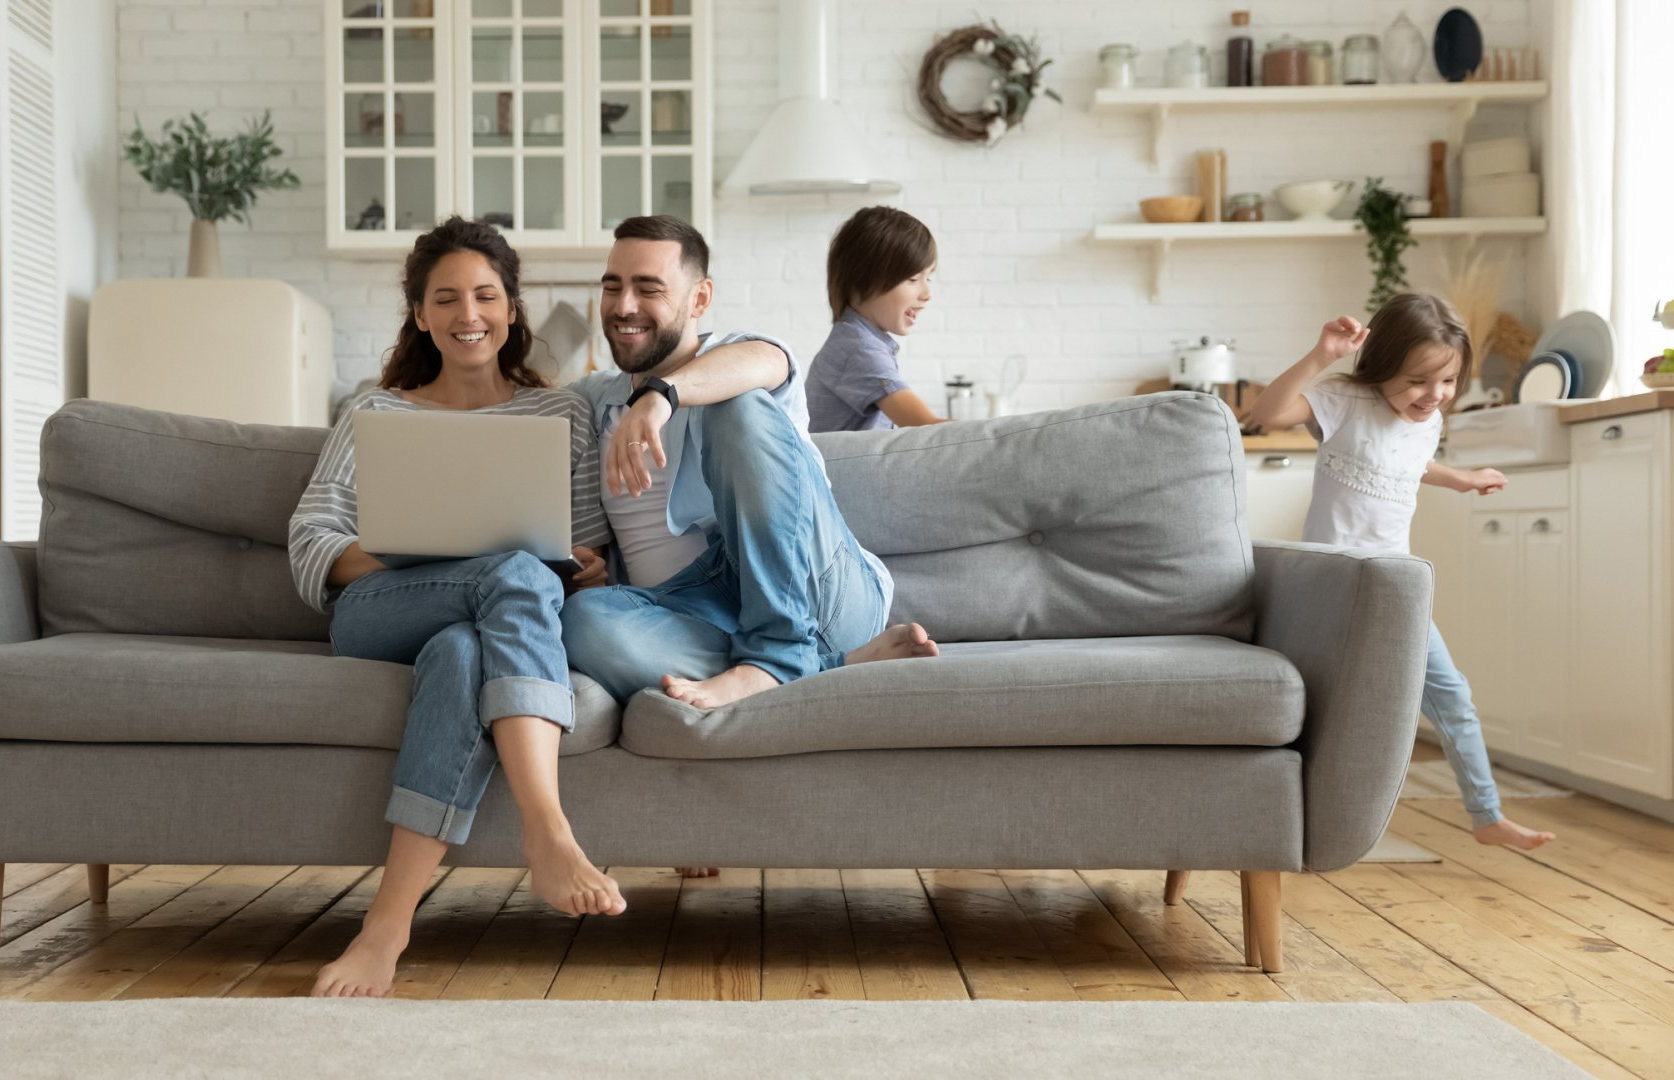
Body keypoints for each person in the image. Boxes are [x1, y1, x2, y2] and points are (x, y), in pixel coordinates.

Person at [288, 216, 624, 998]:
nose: (467, 314)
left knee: (464, 653)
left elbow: (583, 544)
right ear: (420, 314)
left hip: (489, 622)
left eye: (485, 296)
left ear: (511, 309)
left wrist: (589, 566)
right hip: (381, 608)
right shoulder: (377, 415)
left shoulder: (561, 414)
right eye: (446, 299)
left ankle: (387, 927)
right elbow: (311, 534)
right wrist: (421, 553)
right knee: (507, 571)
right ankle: (548, 832)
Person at [560, 214, 939, 716]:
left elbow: (765, 362)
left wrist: (663, 395)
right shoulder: (594, 399)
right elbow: (520, 413)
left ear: (699, 299)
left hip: (817, 588)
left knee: (735, 402)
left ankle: (777, 653)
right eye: (613, 287)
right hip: (696, 610)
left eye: (648, 288)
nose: (624, 305)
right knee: (580, 620)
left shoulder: (738, 357)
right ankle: (827, 665)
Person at [1247, 292, 1556, 851]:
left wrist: (1459, 477)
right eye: (1418, 381)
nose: (1433, 396)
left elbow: (1406, 463)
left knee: (1453, 698)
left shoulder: (1426, 421)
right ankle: (1287, 817)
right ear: (1382, 365)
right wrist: (1321, 355)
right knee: (1321, 709)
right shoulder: (1343, 400)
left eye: (1447, 383)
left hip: (1396, 589)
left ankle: (1486, 815)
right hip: (1333, 588)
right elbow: (1267, 415)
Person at [806, 206, 947, 433]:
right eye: (913, 278)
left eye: (928, 278)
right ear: (862, 279)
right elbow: (927, 428)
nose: (927, 293)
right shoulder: (858, 349)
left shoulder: (860, 341)